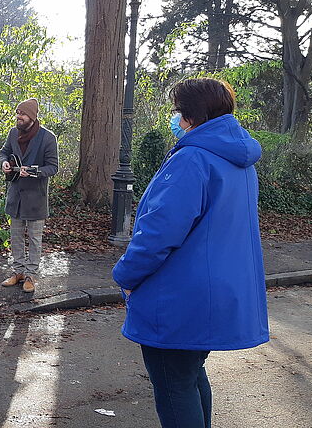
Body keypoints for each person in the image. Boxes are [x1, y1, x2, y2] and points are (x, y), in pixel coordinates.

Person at [112, 78, 269, 428]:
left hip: (179, 295)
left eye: (177, 111)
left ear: (191, 115)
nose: (174, 118)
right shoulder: (239, 160)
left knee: (173, 384)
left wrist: (125, 275)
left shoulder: (192, 159)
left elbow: (159, 232)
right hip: (217, 293)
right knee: (190, 376)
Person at [0, 98, 59, 293]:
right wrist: (4, 163)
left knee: (34, 239)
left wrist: (34, 172)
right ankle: (18, 272)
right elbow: (4, 152)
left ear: (32, 117)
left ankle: (31, 276)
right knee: (15, 237)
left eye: (22, 114)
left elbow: (53, 167)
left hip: (36, 198)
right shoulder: (13, 133)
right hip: (15, 196)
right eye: (17, 113)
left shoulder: (48, 138)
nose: (18, 117)